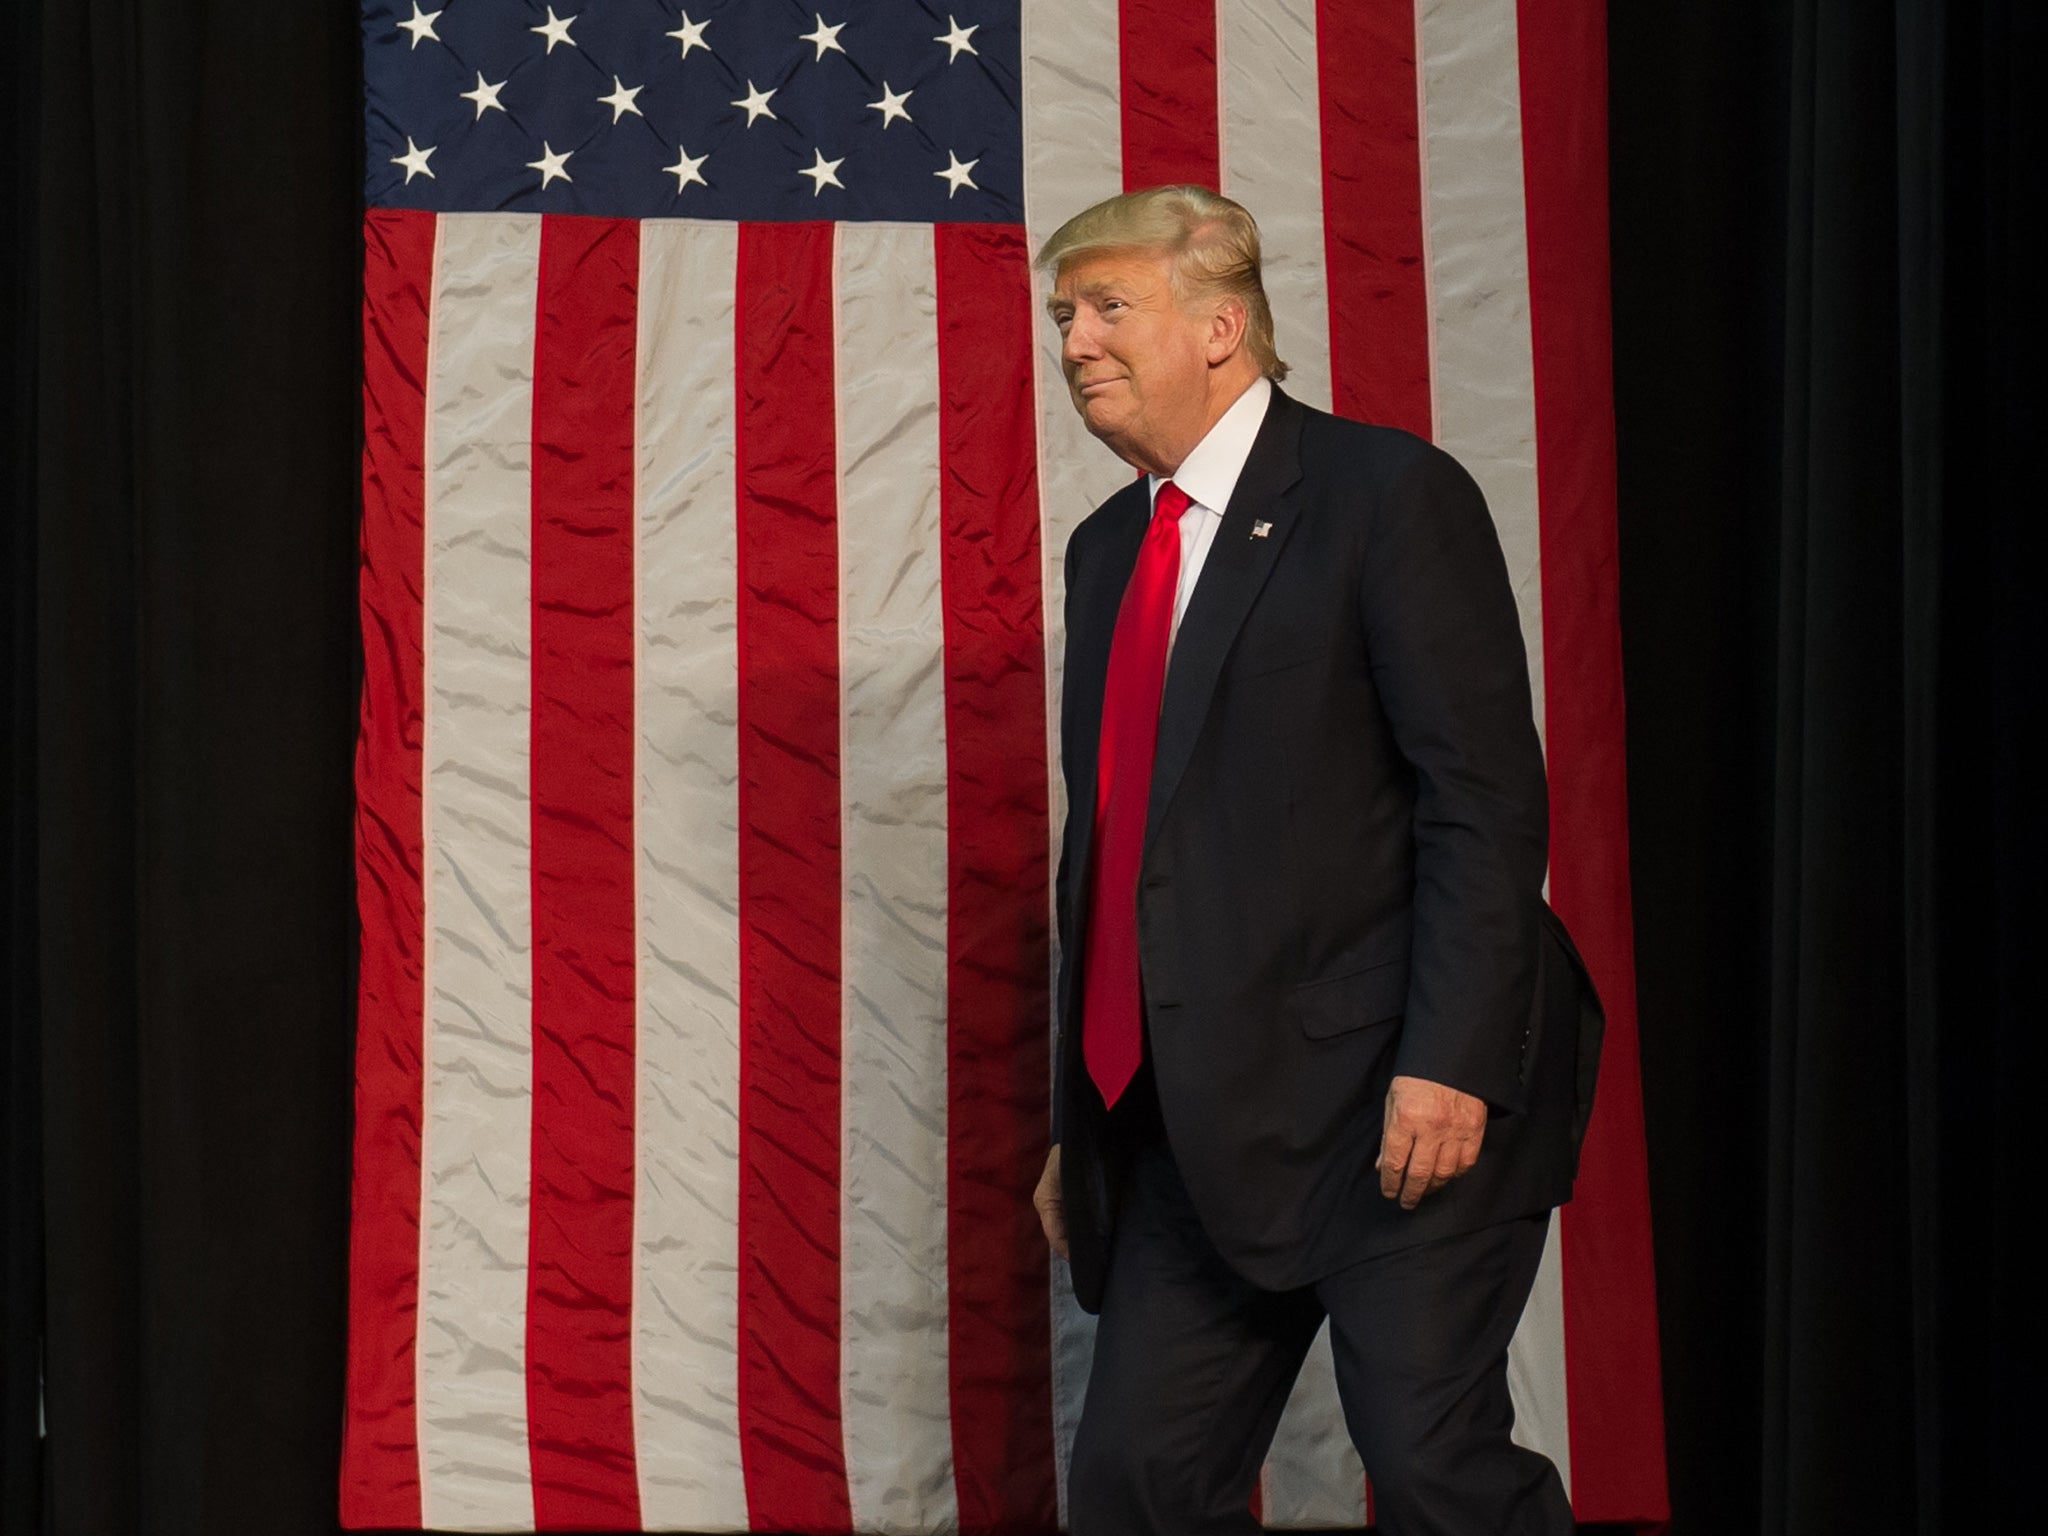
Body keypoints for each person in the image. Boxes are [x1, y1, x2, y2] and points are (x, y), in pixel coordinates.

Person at [1030, 185, 1604, 1536]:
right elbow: (1119, 853)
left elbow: (1481, 798)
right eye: (1065, 316)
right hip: (1184, 1118)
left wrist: (1452, 1060)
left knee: (1431, 1472)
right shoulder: (1111, 547)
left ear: (1222, 326)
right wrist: (1083, 1118)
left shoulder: (1386, 495)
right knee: (1134, 1488)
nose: (1075, 344)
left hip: (1394, 1100)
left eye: (1111, 309)